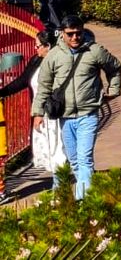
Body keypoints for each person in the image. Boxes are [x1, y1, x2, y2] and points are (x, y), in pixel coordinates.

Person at [31, 16, 121, 199]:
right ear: (62, 34)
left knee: (85, 159)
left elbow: (115, 67)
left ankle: (84, 202)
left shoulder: (94, 51)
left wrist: (113, 90)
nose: (75, 38)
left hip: (88, 114)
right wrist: (38, 112)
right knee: (74, 160)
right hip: (65, 116)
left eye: (78, 33)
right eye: (70, 34)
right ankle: (86, 193)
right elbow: (44, 85)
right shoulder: (54, 56)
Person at [0, 31, 65, 203]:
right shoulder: (36, 60)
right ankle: (58, 187)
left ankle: (59, 192)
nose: (35, 49)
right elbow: (22, 81)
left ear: (48, 46)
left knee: (58, 150)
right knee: (48, 151)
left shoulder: (59, 62)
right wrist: (2, 92)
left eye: (37, 46)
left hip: (55, 113)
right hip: (39, 114)